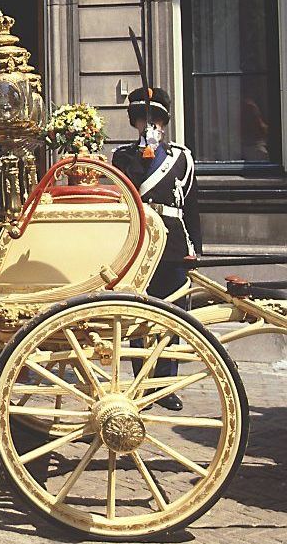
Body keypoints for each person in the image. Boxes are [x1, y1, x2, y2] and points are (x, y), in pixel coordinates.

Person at [112, 86, 202, 412]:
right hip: (141, 240)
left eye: (157, 120)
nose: (151, 126)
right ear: (135, 122)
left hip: (175, 243)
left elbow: (190, 205)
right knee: (139, 316)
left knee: (172, 317)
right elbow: (127, 192)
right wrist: (143, 156)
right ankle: (141, 383)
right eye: (144, 120)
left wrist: (196, 248)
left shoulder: (182, 157)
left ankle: (165, 385)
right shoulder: (122, 156)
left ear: (164, 123)